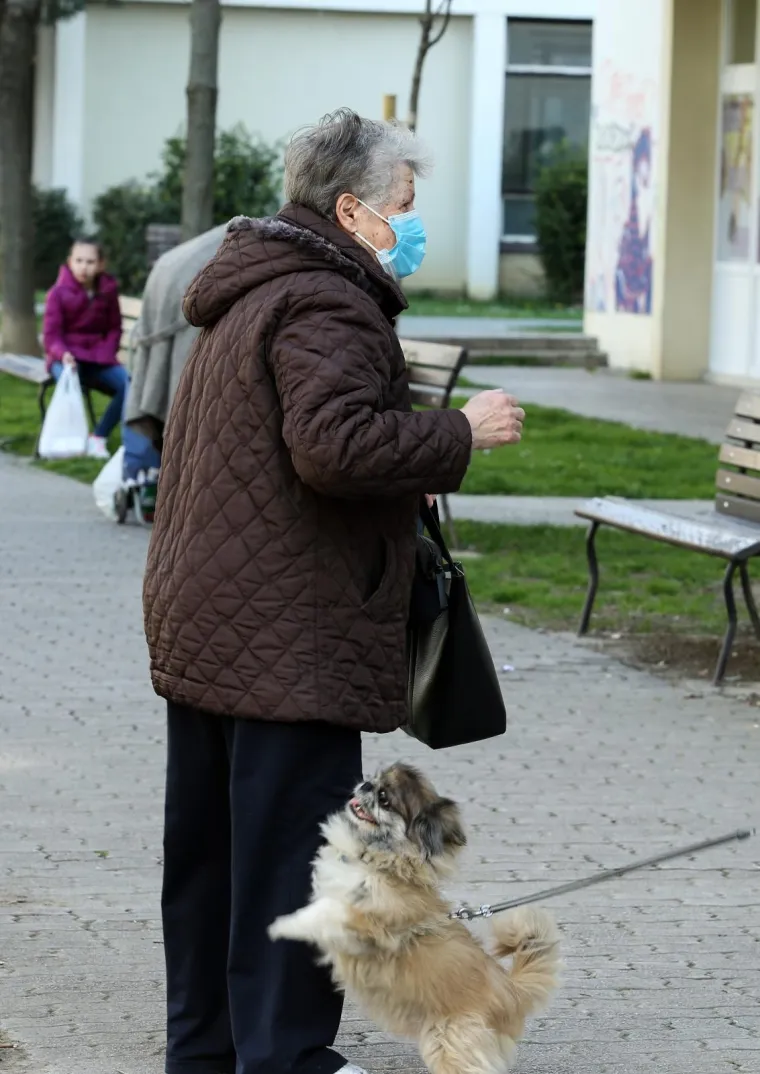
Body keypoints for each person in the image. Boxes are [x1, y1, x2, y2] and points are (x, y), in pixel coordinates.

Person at [142, 108, 525, 1074]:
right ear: (352, 210)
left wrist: (407, 468)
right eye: (405, 202)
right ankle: (284, 1056)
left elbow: (283, 449)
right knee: (292, 856)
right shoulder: (328, 301)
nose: (413, 222)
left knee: (212, 855)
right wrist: (459, 432)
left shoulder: (252, 287)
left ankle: (207, 1050)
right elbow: (334, 446)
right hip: (292, 631)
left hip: (215, 616)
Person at [43, 237, 128, 460]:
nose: (84, 267)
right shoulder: (57, 293)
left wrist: (107, 353)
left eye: (90, 262)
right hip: (66, 357)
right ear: (70, 262)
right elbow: (51, 336)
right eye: (78, 260)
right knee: (70, 383)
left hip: (99, 358)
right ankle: (67, 440)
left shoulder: (108, 291)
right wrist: (63, 354)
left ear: (101, 264)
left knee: (129, 384)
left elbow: (114, 328)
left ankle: (98, 437)